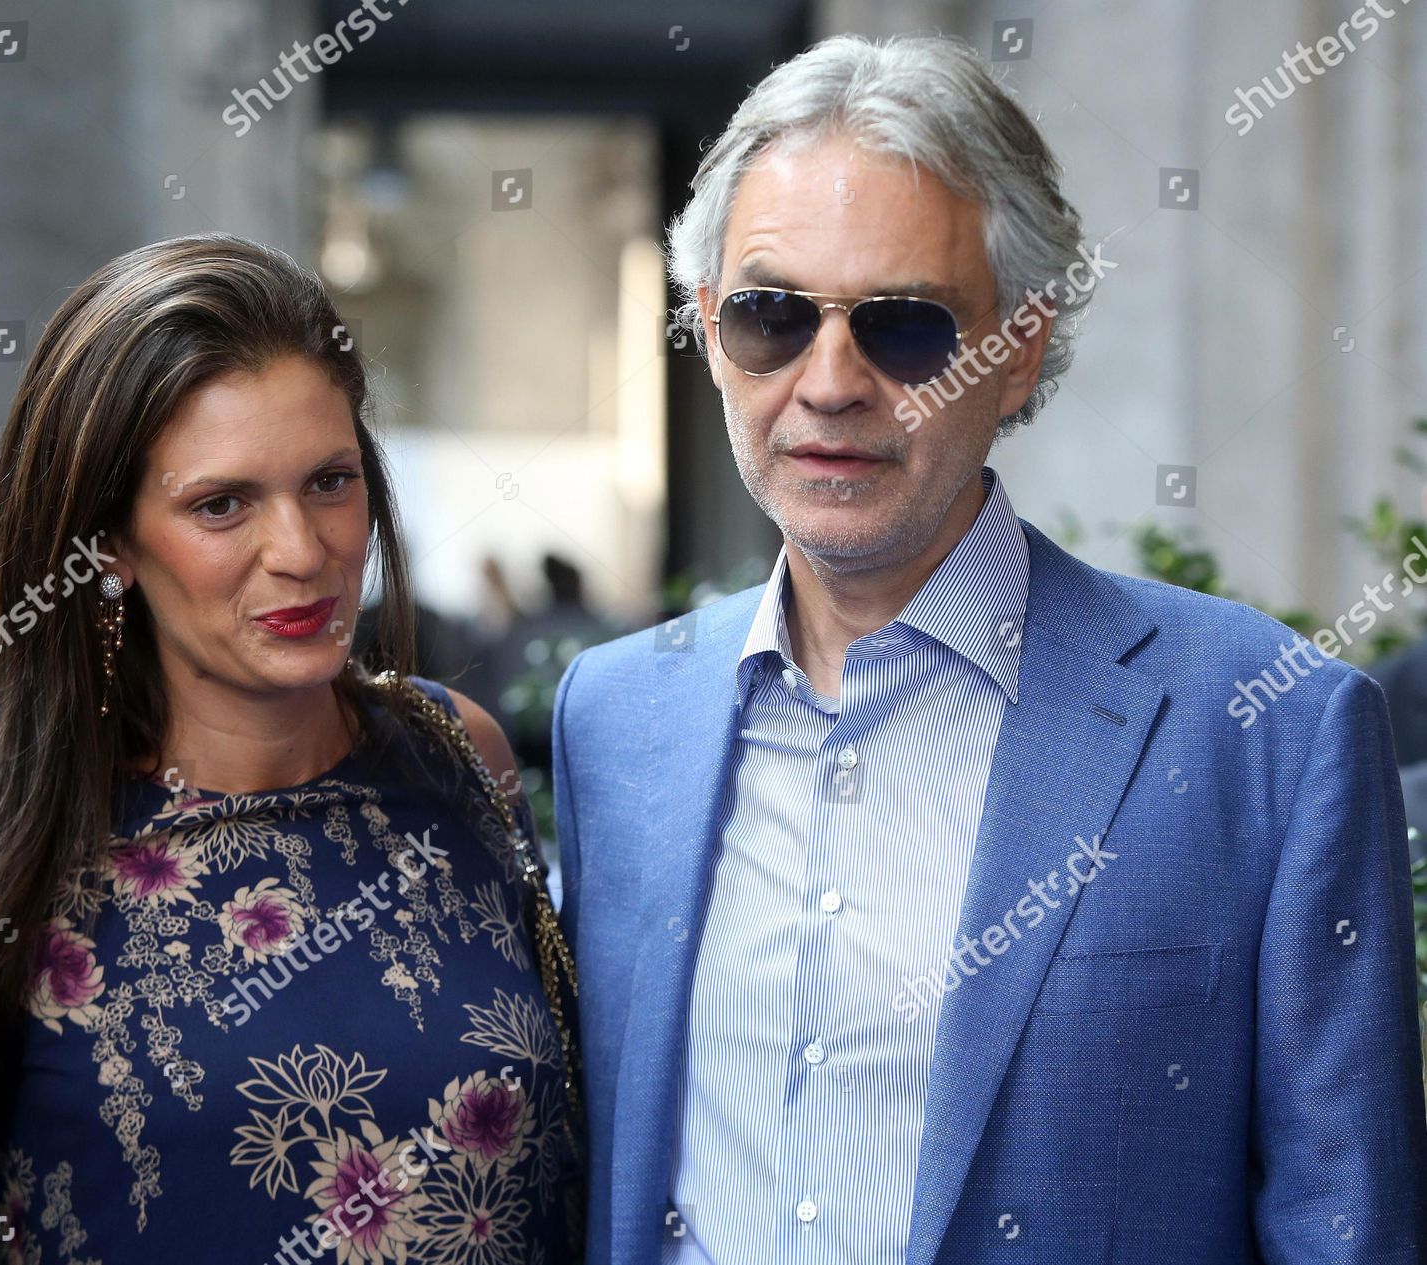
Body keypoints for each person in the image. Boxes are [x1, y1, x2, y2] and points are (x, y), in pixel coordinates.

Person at [551, 33, 1425, 1264]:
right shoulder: (616, 717)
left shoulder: (1268, 728)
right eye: (770, 315)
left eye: (903, 327)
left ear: (1016, 348)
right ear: (705, 328)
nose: (830, 380)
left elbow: (1349, 1229)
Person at [0, 234, 580, 1264]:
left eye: (329, 480)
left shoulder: (459, 753)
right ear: (109, 545)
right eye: (221, 503)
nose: (302, 549)